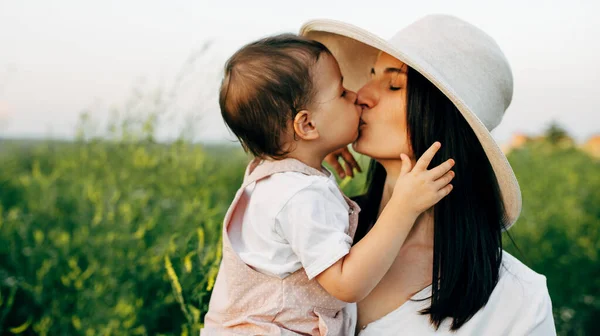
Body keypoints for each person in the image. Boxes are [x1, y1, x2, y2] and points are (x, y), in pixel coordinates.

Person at [301, 14, 557, 335]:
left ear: (447, 120)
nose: (361, 95)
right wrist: (308, 157)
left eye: (394, 85)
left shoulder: (518, 299)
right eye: (370, 76)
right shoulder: (310, 225)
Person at [201, 34, 455, 335]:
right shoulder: (301, 195)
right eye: (341, 93)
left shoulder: (274, 181)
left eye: (394, 85)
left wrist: (316, 148)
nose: (356, 95)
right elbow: (346, 283)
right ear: (307, 125)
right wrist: (403, 207)